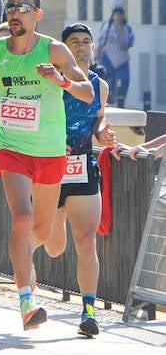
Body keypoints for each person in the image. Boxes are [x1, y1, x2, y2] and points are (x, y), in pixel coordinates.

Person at [0, 0, 94, 332]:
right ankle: (26, 301)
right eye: (11, 7)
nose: (14, 12)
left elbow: (87, 93)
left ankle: (25, 264)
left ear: (37, 15)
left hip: (49, 150)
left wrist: (61, 81)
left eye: (23, 7)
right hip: (10, 145)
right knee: (22, 217)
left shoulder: (53, 49)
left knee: (41, 229)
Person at [43, 23, 113, 338]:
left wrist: (103, 133)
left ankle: (88, 312)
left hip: (83, 163)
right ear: (64, 48)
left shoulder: (100, 86)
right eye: (75, 42)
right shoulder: (51, 80)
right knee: (53, 244)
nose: (82, 47)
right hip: (50, 163)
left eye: (87, 41)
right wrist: (53, 141)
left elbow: (97, 122)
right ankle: (25, 294)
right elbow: (38, 118)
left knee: (86, 239)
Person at [97, 7, 134, 106]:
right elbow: (100, 43)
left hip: (122, 59)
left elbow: (130, 42)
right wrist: (98, 58)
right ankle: (109, 102)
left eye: (120, 14)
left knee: (125, 80)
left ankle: (121, 101)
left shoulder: (127, 29)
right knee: (110, 81)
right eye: (116, 14)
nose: (118, 17)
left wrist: (125, 45)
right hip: (108, 57)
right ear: (113, 16)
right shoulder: (108, 27)